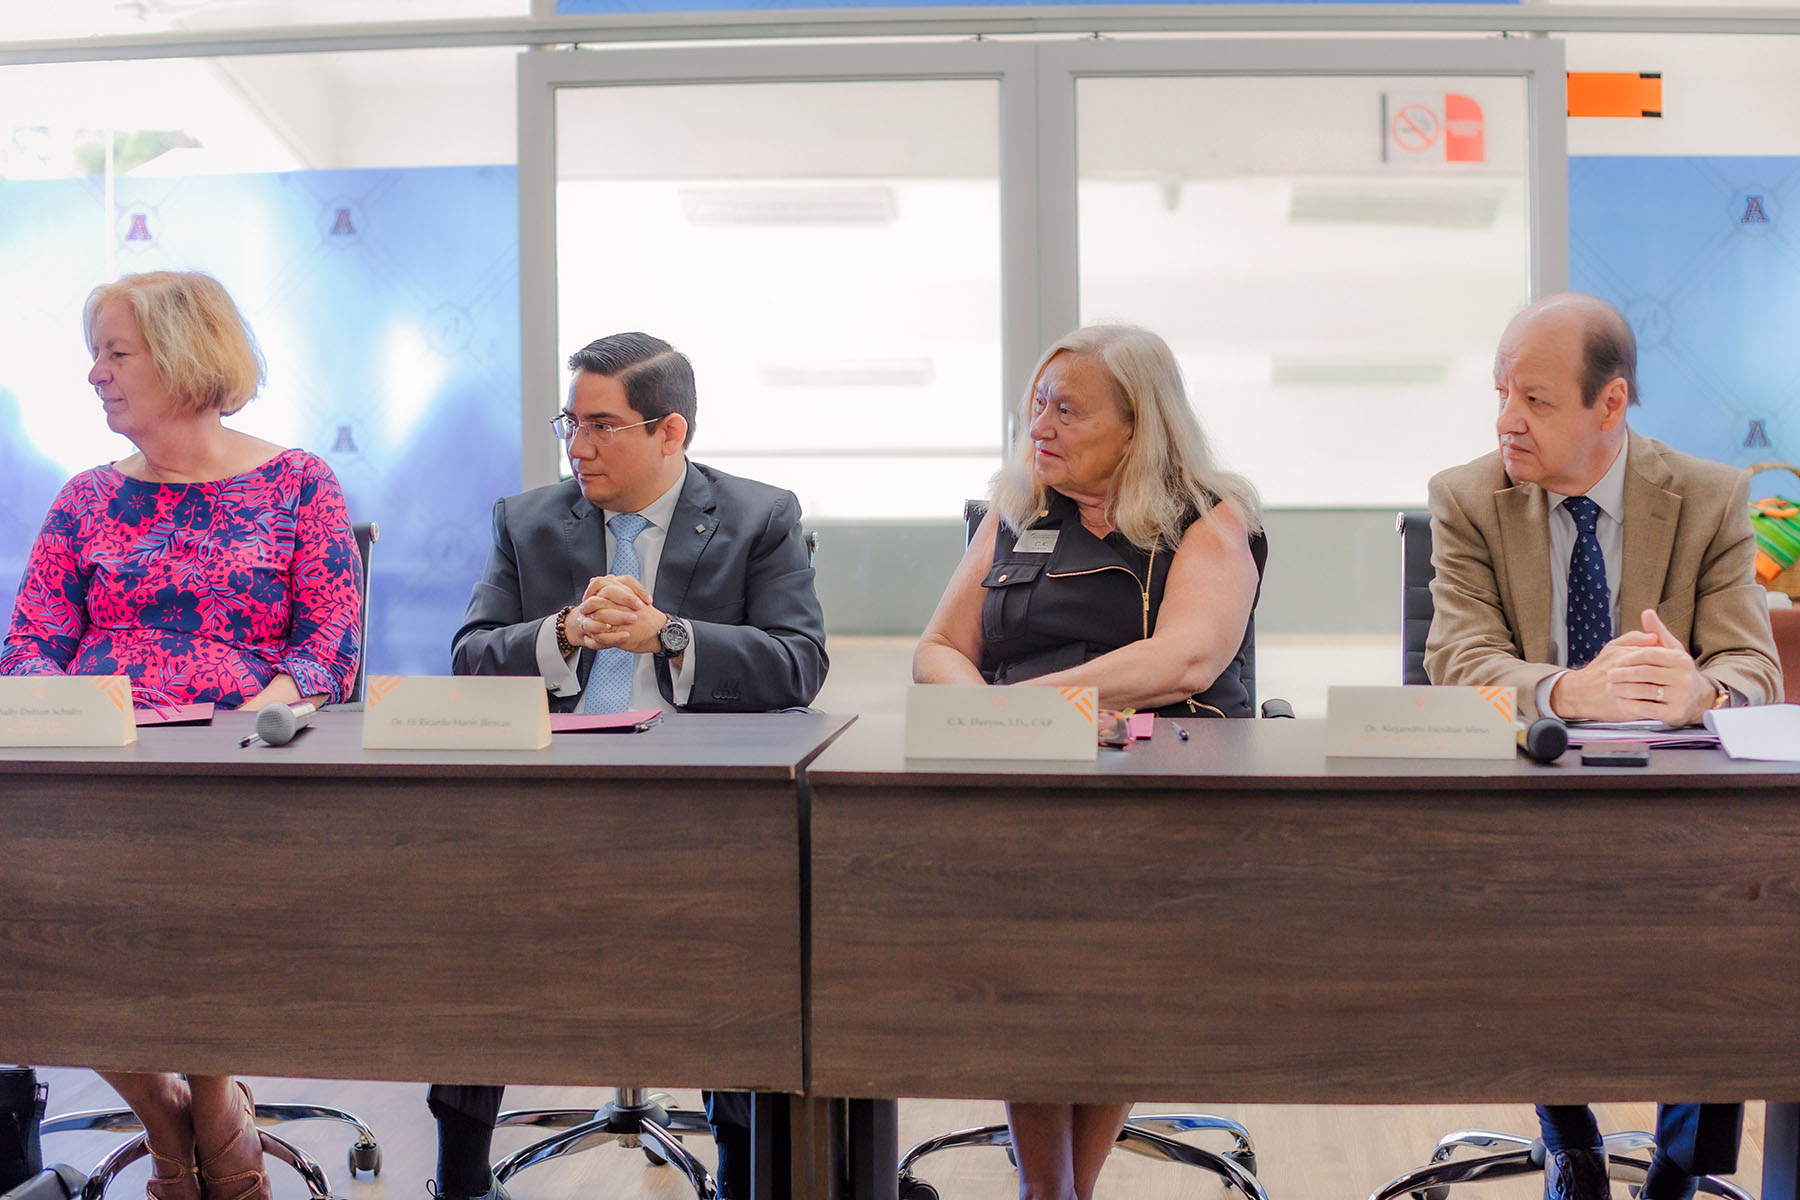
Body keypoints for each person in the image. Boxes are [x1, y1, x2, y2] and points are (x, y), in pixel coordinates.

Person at [429, 331, 828, 1200]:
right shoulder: (527, 520)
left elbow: (799, 664)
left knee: (742, 929)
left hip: (701, 801)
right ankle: (460, 1176)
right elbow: (468, 657)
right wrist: (565, 632)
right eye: (569, 422)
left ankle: (741, 1166)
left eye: (602, 425)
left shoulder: (760, 516)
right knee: (470, 912)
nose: (576, 447)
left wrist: (670, 636)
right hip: (550, 796)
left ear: (669, 432)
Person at [1, 270, 364, 1200]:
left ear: (184, 358)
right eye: (97, 353)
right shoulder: (84, 499)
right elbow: (30, 644)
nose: (94, 374)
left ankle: (210, 1103)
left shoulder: (297, 484)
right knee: (39, 923)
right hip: (96, 770)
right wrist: (68, 721)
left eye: (115, 353)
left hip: (239, 769)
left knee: (200, 905)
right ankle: (168, 1109)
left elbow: (327, 648)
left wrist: (264, 715)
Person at [1424, 293, 1782, 1200]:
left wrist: (1702, 689)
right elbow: (1456, 662)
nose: (1507, 419)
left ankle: (1676, 1167)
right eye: (1501, 392)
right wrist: (1567, 690)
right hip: (1525, 800)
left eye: (1536, 400)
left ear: (1610, 405)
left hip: (1669, 806)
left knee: (1731, 910)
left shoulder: (1708, 497)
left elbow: (1754, 667)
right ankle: (1566, 1131)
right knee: (1517, 895)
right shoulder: (1468, 498)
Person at [912, 324, 1265, 1200]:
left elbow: (1184, 660)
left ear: (1139, 424)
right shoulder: (1017, 511)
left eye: (1068, 408)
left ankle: (1068, 1185)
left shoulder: (1210, 519)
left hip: (1157, 796)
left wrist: (1023, 711)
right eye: (1036, 403)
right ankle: (1049, 1190)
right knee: (1024, 962)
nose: (1043, 424)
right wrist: (997, 720)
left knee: (1106, 957)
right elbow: (936, 649)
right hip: (1020, 786)